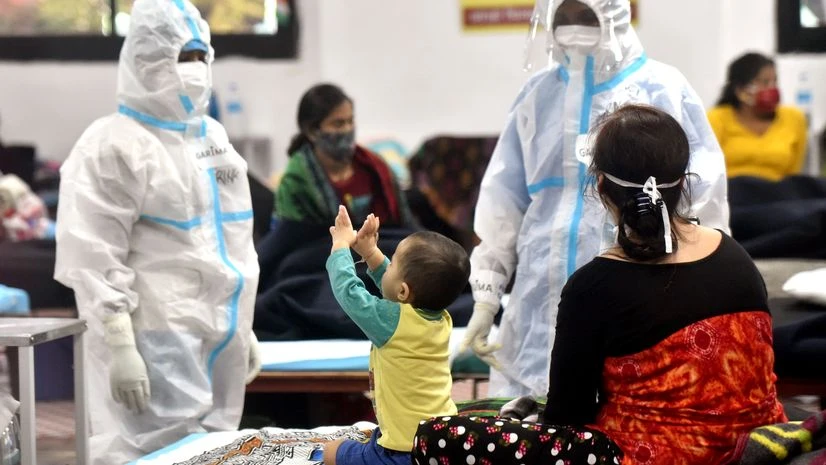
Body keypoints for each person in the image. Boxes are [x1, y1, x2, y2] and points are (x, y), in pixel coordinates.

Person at [415, 105, 785, 465]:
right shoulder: (734, 255)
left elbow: (566, 418)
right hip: (755, 443)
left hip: (648, 455)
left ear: (602, 186)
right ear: (683, 183)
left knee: (436, 436)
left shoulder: (594, 285)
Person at [462, 0, 731, 397]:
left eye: (584, 15)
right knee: (530, 428)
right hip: (536, 300)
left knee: (617, 414)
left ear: (613, 15)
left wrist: (700, 293)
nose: (573, 27)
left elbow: (702, 201)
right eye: (563, 17)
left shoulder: (663, 89)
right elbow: (503, 201)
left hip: (637, 288)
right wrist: (486, 298)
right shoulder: (536, 96)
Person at [53, 0, 260, 462]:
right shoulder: (111, 145)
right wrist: (121, 344)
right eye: (181, 57)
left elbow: (233, 244)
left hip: (219, 335)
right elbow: (93, 259)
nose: (195, 69)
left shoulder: (213, 140)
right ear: (147, 61)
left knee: (215, 450)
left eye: (200, 56)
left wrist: (242, 326)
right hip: (153, 339)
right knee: (146, 451)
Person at [323, 206, 466, 465]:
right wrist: (370, 253)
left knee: (330, 451)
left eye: (393, 263)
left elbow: (349, 293)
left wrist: (341, 246)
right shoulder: (441, 317)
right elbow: (398, 290)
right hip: (440, 438)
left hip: (403, 452)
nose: (386, 266)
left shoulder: (391, 323)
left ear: (403, 291)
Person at [275, 84, 413, 228]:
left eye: (350, 121)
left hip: (380, 246)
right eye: (338, 124)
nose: (348, 129)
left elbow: (405, 223)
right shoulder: (296, 182)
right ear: (312, 131)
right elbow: (290, 238)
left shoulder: (375, 167)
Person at [708, 52, 808, 181]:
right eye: (765, 82)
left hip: (778, 196)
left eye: (775, 81)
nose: (772, 88)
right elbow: (709, 170)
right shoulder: (717, 118)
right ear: (740, 90)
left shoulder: (794, 118)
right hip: (733, 195)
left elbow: (794, 174)